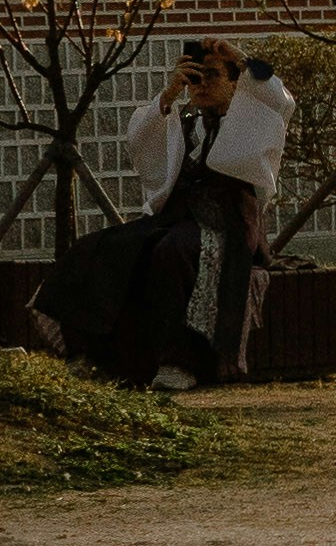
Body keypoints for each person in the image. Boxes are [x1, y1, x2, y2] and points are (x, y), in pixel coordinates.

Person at [15, 40, 297, 392]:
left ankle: (180, 361)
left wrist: (239, 58)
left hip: (229, 225)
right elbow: (142, 142)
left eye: (212, 76)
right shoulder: (184, 124)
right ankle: (91, 355)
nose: (202, 85)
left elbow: (280, 100)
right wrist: (169, 94)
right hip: (177, 219)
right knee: (102, 247)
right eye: (195, 78)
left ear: (235, 83)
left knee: (172, 252)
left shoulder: (250, 120)